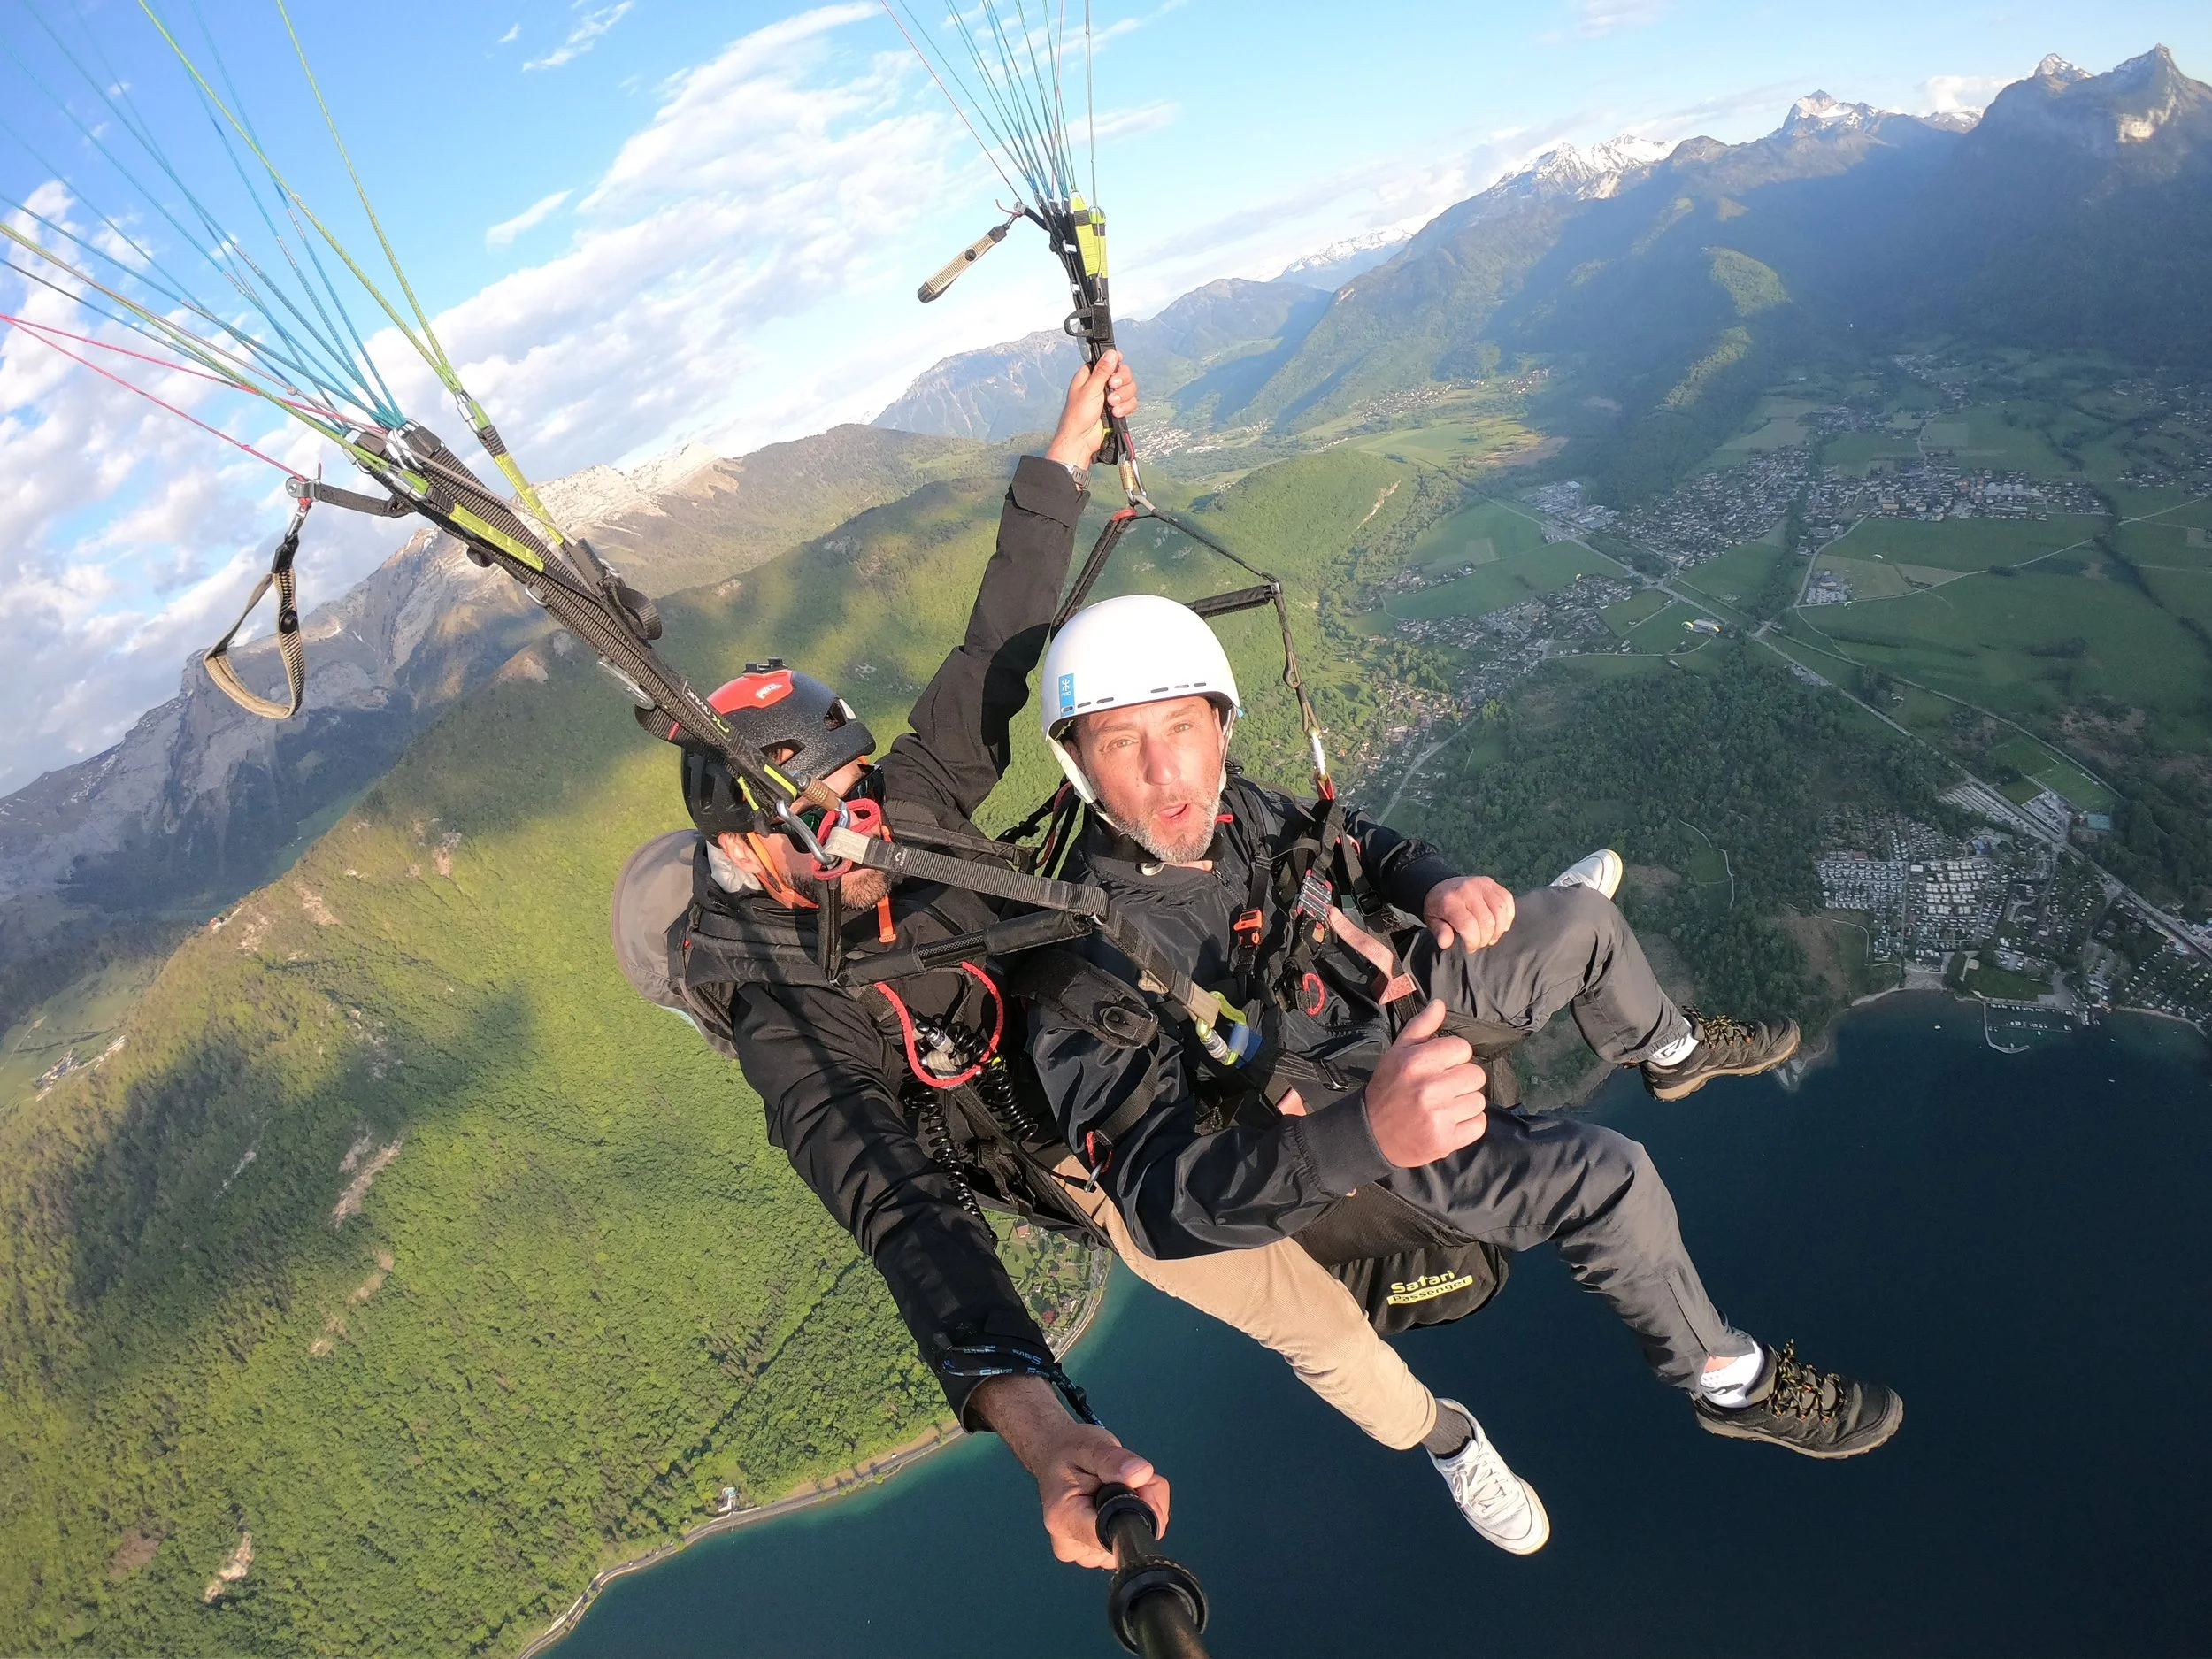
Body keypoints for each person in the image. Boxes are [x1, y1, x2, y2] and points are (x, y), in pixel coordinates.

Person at [609, 353, 1555, 1569]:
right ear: (740, 846)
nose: (854, 827)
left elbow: (996, 648)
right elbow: (902, 1210)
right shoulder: (788, 1011)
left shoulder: (909, 806)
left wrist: (1062, 456)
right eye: (813, 818)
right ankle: (1445, 1435)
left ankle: (1556, 960)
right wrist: (1047, 1428)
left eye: (854, 787)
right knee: (1315, 1321)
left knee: (1309, 928)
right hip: (1099, 1149)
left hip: (1131, 996)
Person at [1025, 593, 1906, 1463]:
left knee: (1581, 923)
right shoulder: (1087, 957)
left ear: (1221, 728)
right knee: (1610, 1176)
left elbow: (1350, 840)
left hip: (1387, 1007)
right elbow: (1159, 1202)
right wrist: (1362, 1137)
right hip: (1346, 1120)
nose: (1164, 771)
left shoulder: (1238, 811)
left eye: (1181, 727)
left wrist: (1434, 884)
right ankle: (1725, 1379)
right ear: (1080, 766)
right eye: (1121, 742)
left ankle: (1669, 1050)